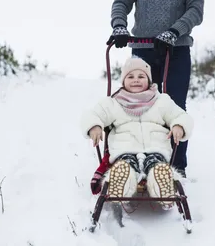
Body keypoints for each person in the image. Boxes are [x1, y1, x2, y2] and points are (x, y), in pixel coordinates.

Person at [106, 0, 204, 177]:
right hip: (143, 49)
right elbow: (122, 2)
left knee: (174, 107)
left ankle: (175, 168)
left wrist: (174, 31)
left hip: (176, 49)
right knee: (136, 106)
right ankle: (133, 159)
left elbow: (195, 9)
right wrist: (119, 24)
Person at [80, 56, 193, 207]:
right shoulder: (113, 102)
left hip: (156, 149)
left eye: (141, 76)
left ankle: (161, 184)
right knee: (125, 165)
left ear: (149, 80)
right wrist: (94, 126)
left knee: (156, 165)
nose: (136, 80)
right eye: (130, 76)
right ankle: (120, 184)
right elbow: (93, 114)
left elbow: (180, 115)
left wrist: (179, 125)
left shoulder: (162, 101)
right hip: (124, 150)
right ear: (123, 81)